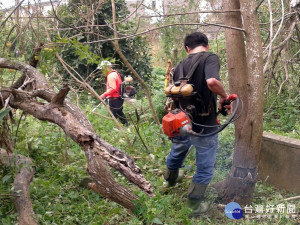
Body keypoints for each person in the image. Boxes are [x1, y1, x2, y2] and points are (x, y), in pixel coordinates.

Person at [163, 32, 231, 217]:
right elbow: (212, 81)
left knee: (177, 152)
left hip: (181, 122)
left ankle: (169, 181)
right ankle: (193, 206)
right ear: (207, 45)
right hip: (204, 125)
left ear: (187, 48)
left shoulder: (179, 65)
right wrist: (225, 97)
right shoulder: (210, 57)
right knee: (205, 165)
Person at [99, 61, 128, 126]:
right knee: (119, 113)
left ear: (107, 68)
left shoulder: (110, 76)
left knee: (114, 116)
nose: (102, 71)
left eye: (103, 69)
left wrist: (104, 94)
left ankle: (115, 128)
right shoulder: (115, 74)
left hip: (115, 99)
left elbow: (113, 88)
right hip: (118, 98)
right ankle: (126, 126)